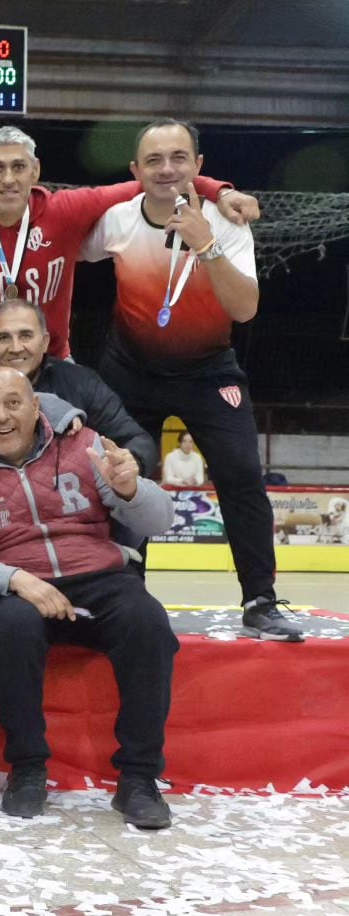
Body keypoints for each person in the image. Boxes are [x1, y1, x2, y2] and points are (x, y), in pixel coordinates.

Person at [0, 368, 179, 829]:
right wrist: (14, 578)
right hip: (25, 585)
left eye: (13, 403)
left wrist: (130, 489)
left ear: (37, 406)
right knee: (12, 627)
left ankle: (139, 779)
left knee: (148, 623)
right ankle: (27, 769)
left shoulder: (86, 446)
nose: (2, 416)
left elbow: (161, 519)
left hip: (99, 575)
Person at [81, 118, 299, 642]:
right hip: (129, 370)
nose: (166, 169)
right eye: (153, 160)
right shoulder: (116, 220)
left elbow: (244, 309)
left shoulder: (226, 224)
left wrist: (207, 246)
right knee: (123, 477)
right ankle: (124, 592)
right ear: (135, 171)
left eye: (179, 158)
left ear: (198, 167)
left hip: (208, 371)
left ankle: (260, 600)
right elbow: (66, 254)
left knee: (243, 474)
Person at [0, 126, 257, 371]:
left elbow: (153, 181)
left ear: (35, 172)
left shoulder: (66, 210)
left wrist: (215, 189)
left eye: (19, 167)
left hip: (55, 362)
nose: (8, 179)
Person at [0, 299, 158, 474]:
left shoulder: (81, 383)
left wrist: (132, 461)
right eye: (3, 338)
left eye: (26, 335)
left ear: (45, 341)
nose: (16, 347)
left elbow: (138, 440)